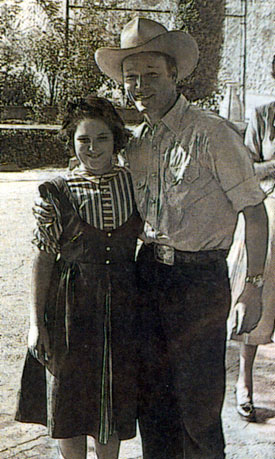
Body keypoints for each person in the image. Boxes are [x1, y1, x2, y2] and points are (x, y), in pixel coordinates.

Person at [95, 17, 269, 458]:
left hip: (200, 284)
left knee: (198, 411)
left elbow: (254, 211)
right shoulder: (136, 144)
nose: (141, 86)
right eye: (132, 78)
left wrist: (252, 288)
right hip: (148, 277)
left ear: (174, 74)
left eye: (151, 75)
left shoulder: (212, 134)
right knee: (153, 406)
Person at [15, 96, 143, 459]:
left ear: (116, 140)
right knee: (69, 399)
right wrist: (36, 323)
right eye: (83, 140)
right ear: (72, 142)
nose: (93, 148)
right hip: (71, 309)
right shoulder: (57, 191)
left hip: (122, 308)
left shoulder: (136, 185)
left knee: (110, 401)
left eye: (101, 138)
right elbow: (42, 258)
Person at [228, 56, 275, 421]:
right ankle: (244, 383)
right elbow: (247, 169)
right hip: (269, 214)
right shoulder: (263, 116)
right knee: (257, 293)